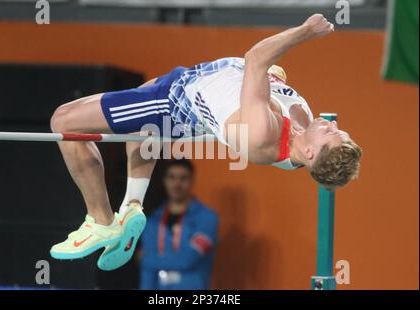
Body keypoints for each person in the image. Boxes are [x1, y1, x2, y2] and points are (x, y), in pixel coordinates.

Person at [49, 14, 362, 271]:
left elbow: (256, 59)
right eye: (340, 130)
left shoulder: (262, 135)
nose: (332, 125)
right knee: (142, 129)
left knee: (64, 121)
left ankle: (101, 220)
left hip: (177, 98)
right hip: (194, 86)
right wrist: (274, 79)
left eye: (331, 134)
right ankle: (131, 206)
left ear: (309, 152)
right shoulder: (304, 131)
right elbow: (266, 79)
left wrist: (305, 31)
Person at [139, 159, 218, 290]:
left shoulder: (207, 218)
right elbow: (147, 273)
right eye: (172, 177)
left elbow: (187, 260)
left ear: (192, 180)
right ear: (164, 181)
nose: (177, 183)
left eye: (183, 178)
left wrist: (146, 260)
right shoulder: (152, 220)